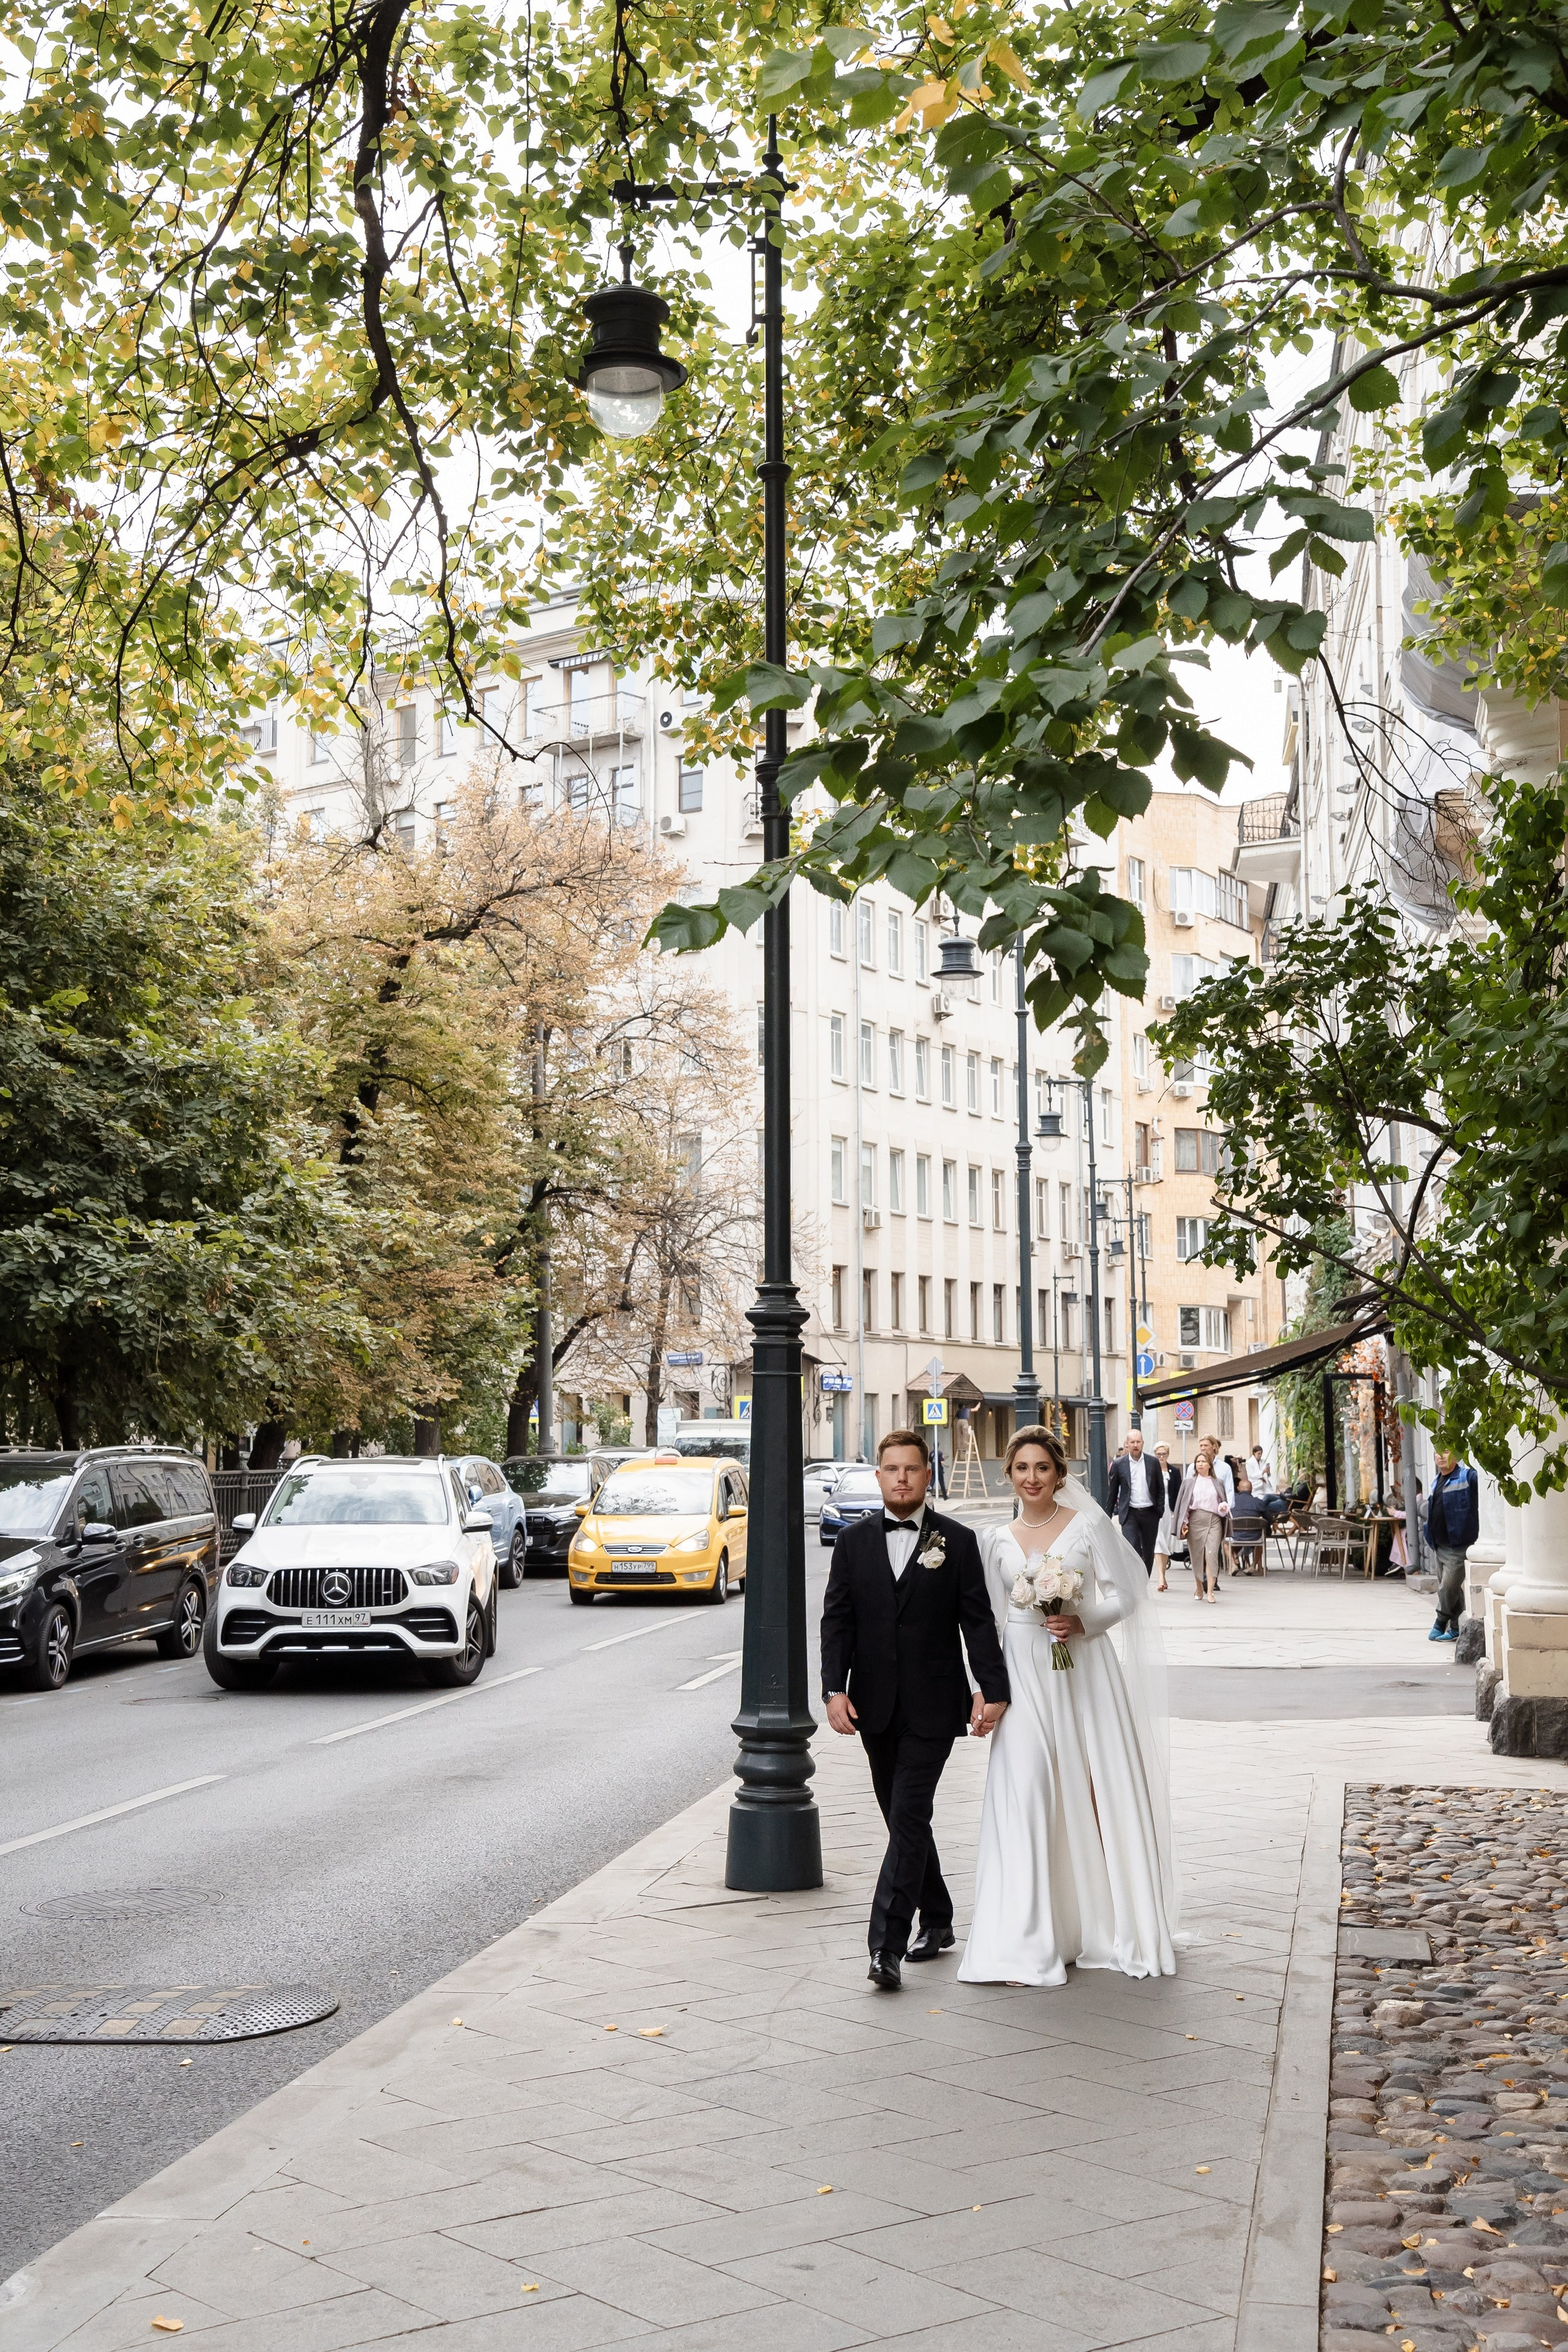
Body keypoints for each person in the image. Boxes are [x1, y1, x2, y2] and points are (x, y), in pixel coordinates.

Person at [959, 1427, 1178, 1987]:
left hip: (1083, 1669)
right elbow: (982, 1621)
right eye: (1022, 1468)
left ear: (1059, 1473)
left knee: (1095, 1790)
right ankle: (1026, 1942)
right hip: (1023, 1672)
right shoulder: (996, 1541)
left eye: (1042, 1468)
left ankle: (1102, 1922)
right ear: (1008, 1474)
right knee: (1026, 1791)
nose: (1032, 1478)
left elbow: (1128, 1594)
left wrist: (1085, 1622)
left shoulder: (1088, 1526)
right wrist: (984, 1689)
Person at [820, 1428, 1009, 1992]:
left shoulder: (956, 1540)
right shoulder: (852, 1544)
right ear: (878, 1477)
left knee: (907, 1816)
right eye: (892, 1469)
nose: (902, 1477)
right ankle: (941, 1917)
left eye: (912, 1469)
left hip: (934, 1705)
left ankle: (886, 1948)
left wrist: (991, 1689)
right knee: (903, 1819)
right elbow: (839, 1622)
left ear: (928, 1476)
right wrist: (835, 1689)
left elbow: (976, 1621)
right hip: (872, 1707)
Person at [1426, 1448, 1479, 1643]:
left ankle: (1440, 1622)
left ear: (1456, 1455)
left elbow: (1482, 1478)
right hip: (1438, 1544)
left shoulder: (1467, 1477)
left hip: (1459, 1544)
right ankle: (1456, 1628)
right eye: (1437, 1452)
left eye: (1446, 1452)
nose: (1440, 1456)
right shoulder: (1435, 1480)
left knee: (1447, 1588)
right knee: (1454, 1590)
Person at [1175, 1441, 1230, 1602]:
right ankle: (1199, 1586)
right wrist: (1184, 1523)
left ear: (1209, 1465)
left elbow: (1222, 1502)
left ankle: (1211, 1591)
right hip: (1195, 1521)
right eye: (1198, 1462)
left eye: (1203, 1462)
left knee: (1212, 1554)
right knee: (1197, 1556)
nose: (1200, 1464)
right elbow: (1184, 1505)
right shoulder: (1189, 1482)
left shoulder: (1217, 1482)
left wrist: (1223, 1507)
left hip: (1214, 1522)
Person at [1106, 1427, 1163, 1576]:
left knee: (1149, 1551)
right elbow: (1112, 1492)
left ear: (1143, 1443)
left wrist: (1159, 1511)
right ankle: (1135, 1582)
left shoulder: (1153, 1462)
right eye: (1132, 1442)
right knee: (1132, 1549)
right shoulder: (1119, 1464)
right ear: (1127, 1444)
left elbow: (1160, 1488)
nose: (1135, 1445)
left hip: (1150, 1513)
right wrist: (1108, 1515)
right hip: (1130, 1513)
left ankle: (1144, 1583)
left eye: (1138, 1442)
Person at [1151, 1441, 1178, 1591]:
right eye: (1158, 1454)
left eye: (1164, 1454)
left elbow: (1179, 1492)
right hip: (1155, 1508)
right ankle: (1160, 1578)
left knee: (1167, 1543)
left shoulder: (1174, 1471)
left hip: (1170, 1509)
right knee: (1158, 1541)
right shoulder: (1151, 1470)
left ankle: (1163, 1575)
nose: (1161, 1456)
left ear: (1168, 1455)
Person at [1227, 1475, 1266, 1574]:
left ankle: (1233, 1564)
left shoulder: (1231, 1502)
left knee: (1225, 1543)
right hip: (1255, 1537)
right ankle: (1253, 1566)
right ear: (1251, 1490)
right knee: (1262, 1540)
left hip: (1235, 1536)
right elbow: (1268, 1518)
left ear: (1238, 1489)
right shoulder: (1258, 1502)